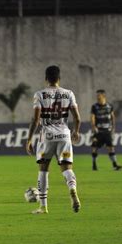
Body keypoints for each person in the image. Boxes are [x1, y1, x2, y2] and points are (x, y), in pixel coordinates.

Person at [26, 65, 82, 214]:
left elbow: (36, 119)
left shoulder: (40, 95)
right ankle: (73, 191)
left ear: (46, 79)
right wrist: (76, 131)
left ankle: (43, 207)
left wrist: (29, 139)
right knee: (67, 168)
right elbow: (77, 117)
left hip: (47, 136)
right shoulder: (69, 93)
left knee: (43, 170)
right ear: (59, 78)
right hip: (64, 135)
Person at [90, 89, 122, 171]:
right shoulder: (94, 107)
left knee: (110, 148)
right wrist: (94, 127)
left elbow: (112, 117)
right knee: (94, 147)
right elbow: (92, 117)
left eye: (99, 95)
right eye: (97, 95)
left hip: (107, 131)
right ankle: (94, 164)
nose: (97, 97)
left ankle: (115, 165)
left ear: (103, 96)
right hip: (98, 131)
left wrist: (113, 127)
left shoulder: (109, 106)